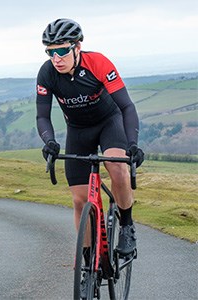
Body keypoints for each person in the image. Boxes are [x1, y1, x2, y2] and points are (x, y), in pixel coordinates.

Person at [35, 18, 144, 255]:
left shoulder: (98, 62)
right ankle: (87, 263)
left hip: (109, 122)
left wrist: (133, 144)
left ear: (77, 47)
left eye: (62, 50)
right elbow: (42, 116)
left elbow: (127, 107)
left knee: (116, 166)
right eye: (50, 52)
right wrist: (50, 142)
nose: (56, 59)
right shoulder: (46, 74)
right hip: (78, 130)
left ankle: (126, 226)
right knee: (79, 200)